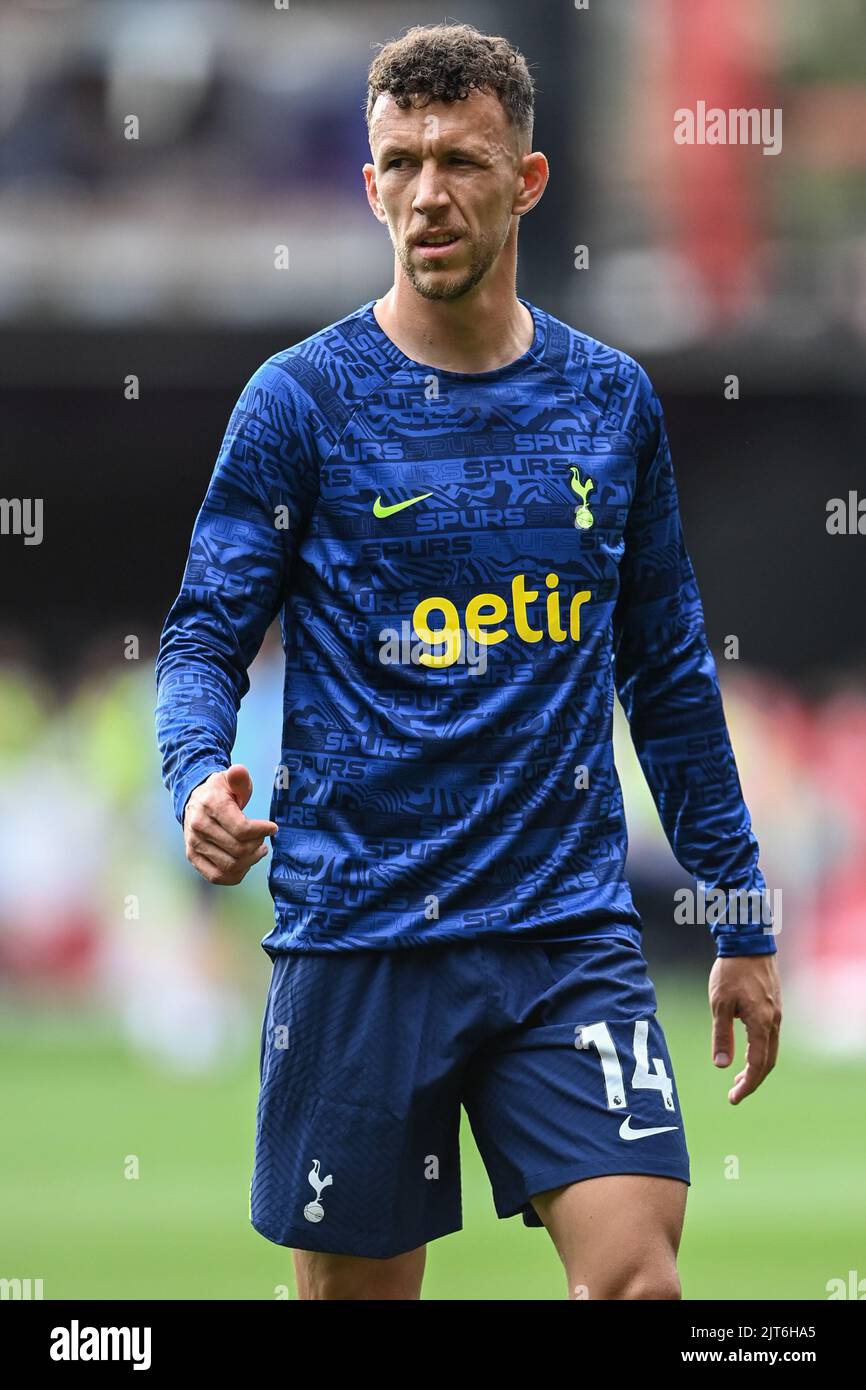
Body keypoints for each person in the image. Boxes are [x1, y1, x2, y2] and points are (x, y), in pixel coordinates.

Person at [155, 22, 782, 1301]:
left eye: (460, 161)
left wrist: (737, 909)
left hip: (563, 933)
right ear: (367, 183)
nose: (427, 193)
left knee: (639, 1286)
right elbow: (203, 634)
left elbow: (664, 672)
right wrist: (192, 773)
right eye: (400, 162)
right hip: (359, 936)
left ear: (528, 180)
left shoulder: (608, 403)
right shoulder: (299, 401)